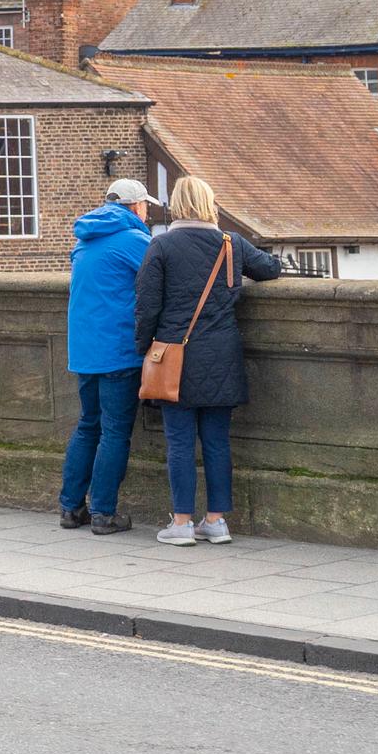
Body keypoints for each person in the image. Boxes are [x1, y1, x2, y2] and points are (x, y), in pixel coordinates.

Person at [134, 175, 284, 546]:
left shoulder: (161, 246)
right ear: (209, 204)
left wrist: (144, 349)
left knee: (180, 444)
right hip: (222, 357)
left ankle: (182, 523)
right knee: (217, 442)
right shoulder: (231, 244)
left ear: (176, 206)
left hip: (177, 358)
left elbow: (147, 306)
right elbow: (270, 268)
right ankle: (216, 521)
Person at [60, 177, 155, 534]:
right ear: (135, 207)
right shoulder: (133, 240)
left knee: (89, 425)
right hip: (118, 350)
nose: (147, 213)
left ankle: (71, 508)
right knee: (114, 431)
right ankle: (103, 513)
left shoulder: (85, 239)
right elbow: (166, 276)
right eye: (145, 206)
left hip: (85, 351)